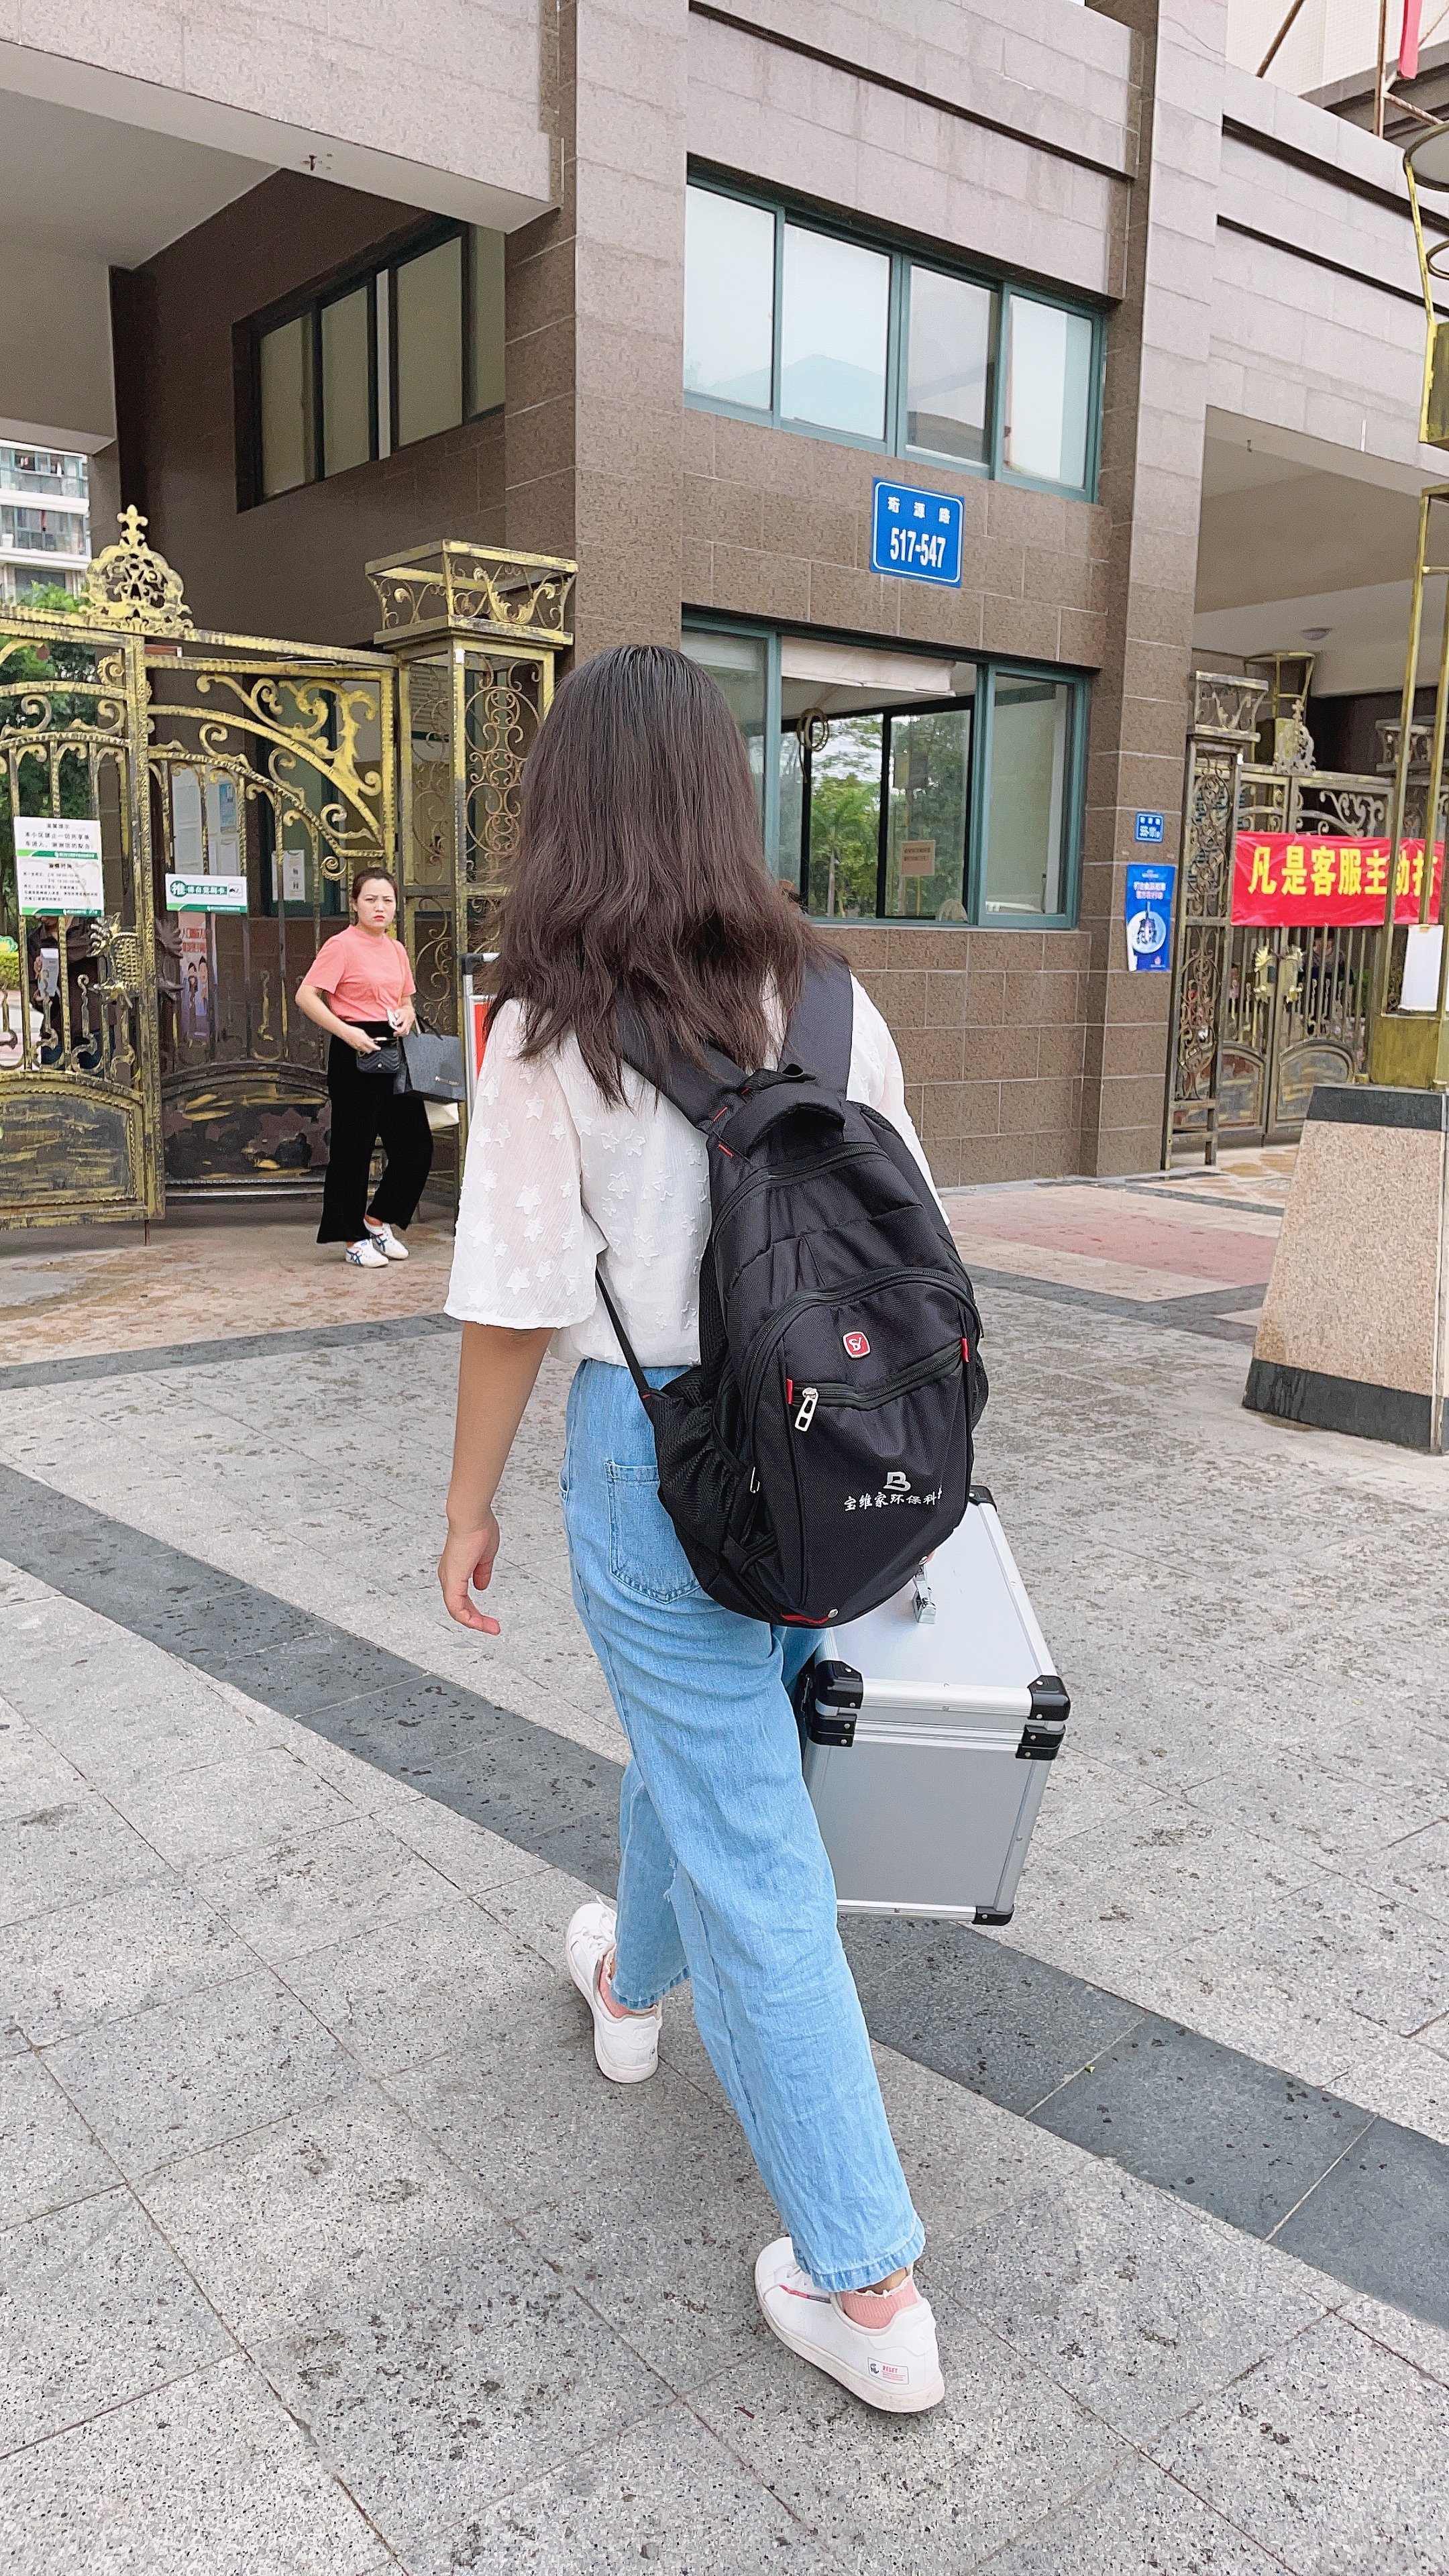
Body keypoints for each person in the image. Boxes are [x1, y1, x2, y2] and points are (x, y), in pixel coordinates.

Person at [437, 645, 945, 2416]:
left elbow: (514, 1301)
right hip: (828, 1453)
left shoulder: (547, 1024)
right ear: (725, 798)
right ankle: (627, 1990)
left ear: (566, 810)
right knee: (719, 1743)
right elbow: (908, 1245)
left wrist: (466, 1505)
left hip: (651, 1457)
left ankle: (867, 2282)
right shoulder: (834, 1000)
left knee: (747, 1837)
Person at [297, 869, 432, 1268]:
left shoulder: (397, 950)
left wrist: (407, 1015)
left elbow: (405, 999)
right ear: (354, 903)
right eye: (370, 899)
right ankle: (352, 1237)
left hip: (394, 1049)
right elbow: (306, 996)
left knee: (416, 1146)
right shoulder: (341, 946)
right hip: (355, 1050)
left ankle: (377, 1218)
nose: (380, 908)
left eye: (387, 900)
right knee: (353, 1149)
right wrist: (347, 1032)